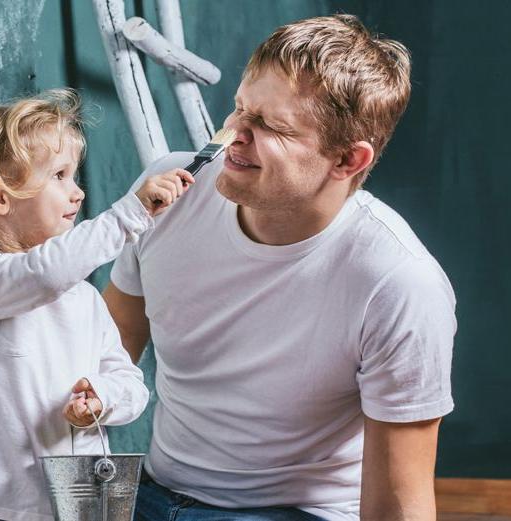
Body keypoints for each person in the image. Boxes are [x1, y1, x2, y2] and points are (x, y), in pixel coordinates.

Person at [103, 14, 456, 521]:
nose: (232, 135)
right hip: (151, 497)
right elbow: (100, 350)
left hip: (292, 512)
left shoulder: (399, 283)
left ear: (348, 160)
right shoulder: (168, 190)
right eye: (240, 109)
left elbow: (400, 505)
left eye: (270, 125)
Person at [0, 90, 193, 521]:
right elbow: (39, 275)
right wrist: (130, 214)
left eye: (75, 175)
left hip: (80, 508)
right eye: (60, 175)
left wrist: (101, 399)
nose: (78, 193)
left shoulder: (83, 298)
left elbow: (133, 385)